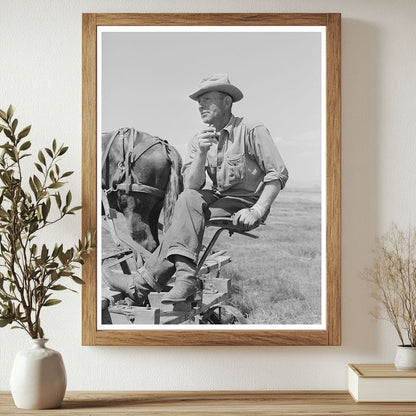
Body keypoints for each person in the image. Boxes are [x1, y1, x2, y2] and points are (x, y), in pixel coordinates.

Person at [105, 74, 289, 306]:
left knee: (184, 216)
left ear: (226, 102)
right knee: (188, 198)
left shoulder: (251, 129)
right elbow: (192, 185)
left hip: (246, 203)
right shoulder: (198, 140)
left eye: (206, 99)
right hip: (219, 198)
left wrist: (257, 210)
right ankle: (182, 280)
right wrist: (201, 153)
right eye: (198, 101)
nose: (200, 105)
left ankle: (143, 284)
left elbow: (278, 174)